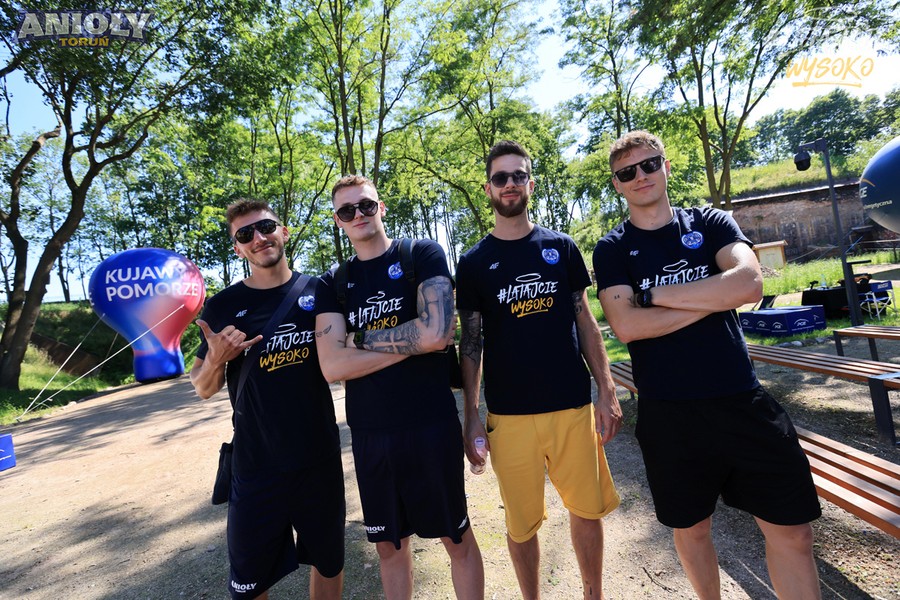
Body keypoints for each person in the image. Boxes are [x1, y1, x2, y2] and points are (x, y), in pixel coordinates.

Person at [593, 130, 822, 600]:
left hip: (741, 400)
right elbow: (627, 326)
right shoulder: (612, 248)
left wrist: (654, 296)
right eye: (627, 172)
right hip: (669, 414)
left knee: (794, 531)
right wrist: (714, 297)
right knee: (693, 529)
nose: (640, 176)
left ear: (666, 166)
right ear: (617, 184)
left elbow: (750, 283)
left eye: (649, 164)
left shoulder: (711, 222)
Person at [455, 140, 622, 600]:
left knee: (586, 510)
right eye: (500, 177)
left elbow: (585, 321)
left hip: (571, 406)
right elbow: (471, 343)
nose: (509, 184)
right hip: (509, 416)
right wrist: (470, 415)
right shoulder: (473, 263)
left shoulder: (560, 247)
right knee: (521, 524)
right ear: (488, 188)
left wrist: (607, 390)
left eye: (518, 176)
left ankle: (593, 595)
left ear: (531, 183)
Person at [314, 175, 485, 600]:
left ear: (382, 207)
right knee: (389, 548)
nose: (358, 214)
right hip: (371, 436)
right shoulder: (332, 282)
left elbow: (439, 333)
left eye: (366, 205)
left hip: (431, 427)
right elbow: (332, 365)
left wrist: (358, 340)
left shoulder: (421, 254)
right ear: (338, 221)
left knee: (456, 538)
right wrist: (414, 342)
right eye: (347, 210)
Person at [190, 199, 344, 600]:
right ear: (238, 248)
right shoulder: (223, 306)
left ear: (284, 232)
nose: (258, 238)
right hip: (256, 464)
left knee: (328, 563)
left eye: (266, 227)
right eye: (245, 234)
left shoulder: (320, 291)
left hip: (318, 458)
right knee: (249, 583)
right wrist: (217, 359)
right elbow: (202, 387)